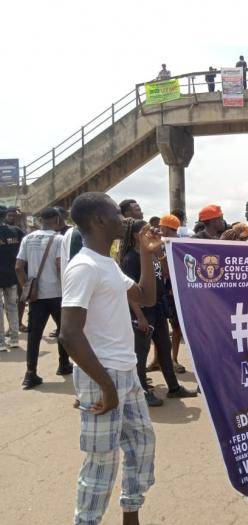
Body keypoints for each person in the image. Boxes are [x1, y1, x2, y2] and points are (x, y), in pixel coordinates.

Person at [59, 192, 159, 525]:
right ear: (100, 220)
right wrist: (106, 386)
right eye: (117, 213)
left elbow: (145, 296)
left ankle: (131, 514)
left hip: (125, 371)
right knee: (101, 462)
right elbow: (69, 334)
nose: (124, 219)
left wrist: (146, 255)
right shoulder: (84, 267)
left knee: (141, 445)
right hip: (101, 374)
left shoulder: (107, 265)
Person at [119, 218, 197, 406]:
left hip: (158, 308)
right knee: (141, 353)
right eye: (147, 230)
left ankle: (174, 387)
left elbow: (167, 274)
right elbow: (128, 291)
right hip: (143, 312)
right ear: (138, 236)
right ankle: (142, 391)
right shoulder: (131, 258)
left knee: (164, 347)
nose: (153, 232)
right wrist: (139, 316)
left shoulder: (150, 253)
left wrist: (159, 251)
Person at [16, 208, 70, 389]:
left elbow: (18, 267)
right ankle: (63, 365)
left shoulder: (27, 238)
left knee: (34, 335)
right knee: (64, 332)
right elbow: (59, 266)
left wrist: (27, 289)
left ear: (40, 220)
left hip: (36, 297)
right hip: (57, 294)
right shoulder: (59, 239)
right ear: (56, 219)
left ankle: (30, 374)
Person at [148, 214, 185, 375]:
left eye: (162, 227)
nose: (159, 229)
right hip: (163, 291)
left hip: (173, 291)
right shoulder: (163, 243)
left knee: (175, 327)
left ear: (169, 228)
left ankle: (173, 359)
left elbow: (169, 273)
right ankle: (157, 360)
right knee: (161, 327)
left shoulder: (175, 245)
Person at [0, 205, 24, 351]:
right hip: (11, 276)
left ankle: (1, 342)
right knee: (12, 307)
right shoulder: (16, 231)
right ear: (4, 216)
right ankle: (14, 338)